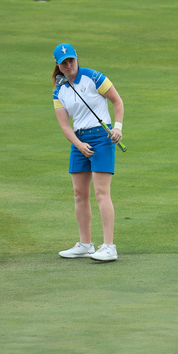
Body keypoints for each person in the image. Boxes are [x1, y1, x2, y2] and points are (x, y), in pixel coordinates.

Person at [52, 43, 124, 262]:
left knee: (101, 192)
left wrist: (118, 127)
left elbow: (117, 101)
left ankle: (109, 246)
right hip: (79, 140)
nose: (68, 65)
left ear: (77, 59)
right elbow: (65, 125)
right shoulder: (59, 90)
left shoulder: (94, 77)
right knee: (79, 193)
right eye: (64, 63)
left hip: (102, 138)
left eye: (71, 60)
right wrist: (78, 144)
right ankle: (85, 245)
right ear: (58, 64)